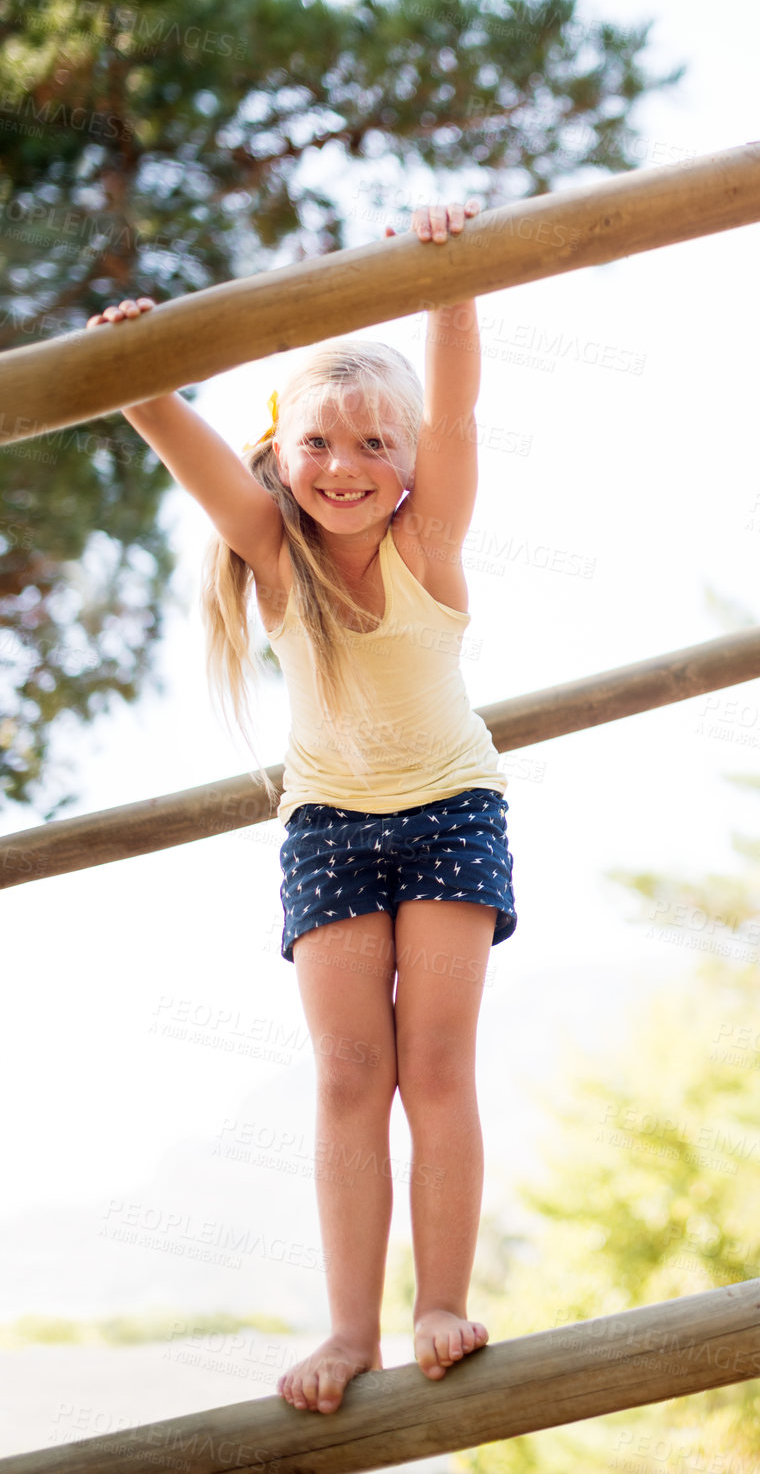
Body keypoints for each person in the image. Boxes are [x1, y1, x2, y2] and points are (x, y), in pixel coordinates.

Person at [89, 201, 515, 1409]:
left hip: (448, 814)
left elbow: (463, 407)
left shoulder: (427, 540)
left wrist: (453, 284)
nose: (345, 467)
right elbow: (188, 448)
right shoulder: (275, 557)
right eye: (320, 443)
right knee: (343, 1075)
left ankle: (438, 1297)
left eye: (378, 444)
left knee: (433, 1064)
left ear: (413, 464)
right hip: (328, 827)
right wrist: (142, 376)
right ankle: (348, 1325)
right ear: (283, 452)